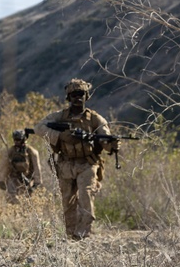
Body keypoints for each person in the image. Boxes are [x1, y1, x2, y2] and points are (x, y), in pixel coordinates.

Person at [34, 79, 118, 240]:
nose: (77, 98)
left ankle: (84, 232)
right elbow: (38, 128)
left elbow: (105, 138)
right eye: (73, 95)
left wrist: (112, 144)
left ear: (86, 96)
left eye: (81, 94)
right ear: (68, 97)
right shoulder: (60, 116)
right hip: (65, 164)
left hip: (87, 163)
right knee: (67, 200)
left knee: (86, 195)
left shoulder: (95, 119)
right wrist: (60, 136)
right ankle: (70, 234)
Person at [0, 130, 42, 203]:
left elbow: (37, 169)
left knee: (26, 202)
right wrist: (1, 180)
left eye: (18, 140)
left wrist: (36, 184)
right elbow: (4, 166)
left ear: (23, 139)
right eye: (15, 140)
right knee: (11, 200)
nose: (16, 142)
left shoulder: (31, 152)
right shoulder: (10, 151)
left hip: (27, 180)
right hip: (13, 179)